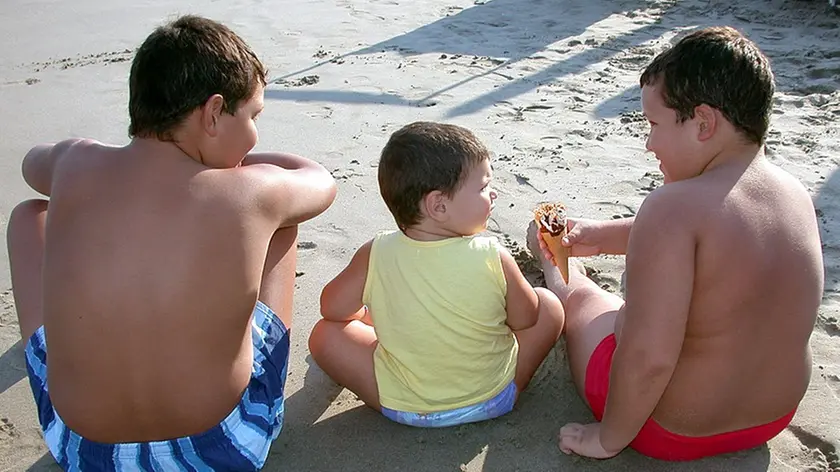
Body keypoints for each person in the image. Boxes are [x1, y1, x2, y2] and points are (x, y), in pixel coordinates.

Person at [6, 15, 336, 471]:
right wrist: (247, 168)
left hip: (84, 449)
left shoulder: (74, 161)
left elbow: (30, 166)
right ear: (214, 112)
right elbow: (320, 182)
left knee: (28, 216)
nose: (254, 132)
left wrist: (101, 171)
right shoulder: (254, 190)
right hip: (222, 448)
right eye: (254, 115)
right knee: (280, 223)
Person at [528, 26, 824, 461]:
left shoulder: (669, 208)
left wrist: (608, 438)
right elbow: (719, 239)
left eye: (654, 125)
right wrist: (599, 235)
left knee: (586, 300)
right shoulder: (792, 193)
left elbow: (650, 357)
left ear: (703, 122)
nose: (649, 145)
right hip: (771, 416)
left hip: (671, 427)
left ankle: (559, 271)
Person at [308, 122, 565, 427]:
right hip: (492, 399)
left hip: (406, 408)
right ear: (438, 206)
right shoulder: (492, 254)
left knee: (325, 334)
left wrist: (372, 315)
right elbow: (526, 319)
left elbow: (332, 309)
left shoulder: (375, 253)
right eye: (483, 187)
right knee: (549, 305)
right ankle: (512, 387)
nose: (493, 194)